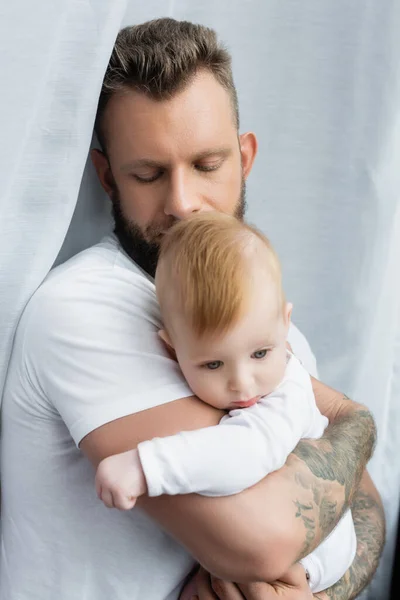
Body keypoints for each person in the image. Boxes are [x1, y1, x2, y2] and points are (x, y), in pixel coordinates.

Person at [0, 18, 384, 600]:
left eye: (207, 166)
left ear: (244, 157)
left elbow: (369, 510)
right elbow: (263, 538)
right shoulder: (82, 310)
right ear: (108, 178)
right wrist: (356, 425)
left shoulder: (255, 317)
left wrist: (311, 589)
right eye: (149, 174)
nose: (183, 203)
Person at [96, 212, 357, 595]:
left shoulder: (289, 389)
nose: (242, 382)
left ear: (285, 324)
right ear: (171, 348)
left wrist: (145, 465)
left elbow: (248, 452)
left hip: (320, 551)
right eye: (213, 364)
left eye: (260, 353)